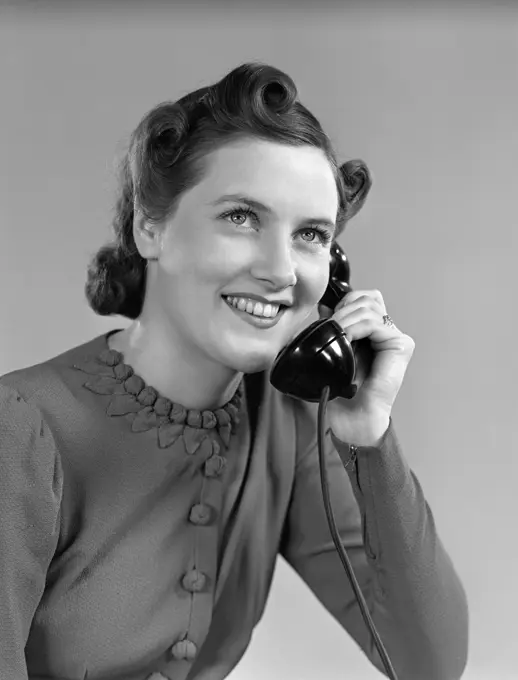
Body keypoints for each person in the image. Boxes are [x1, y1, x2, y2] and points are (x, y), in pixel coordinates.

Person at [0, 62, 468, 680]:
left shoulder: (290, 423)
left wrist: (370, 441)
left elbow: (428, 663)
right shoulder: (25, 428)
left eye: (310, 235)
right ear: (151, 226)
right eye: (242, 217)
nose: (281, 270)